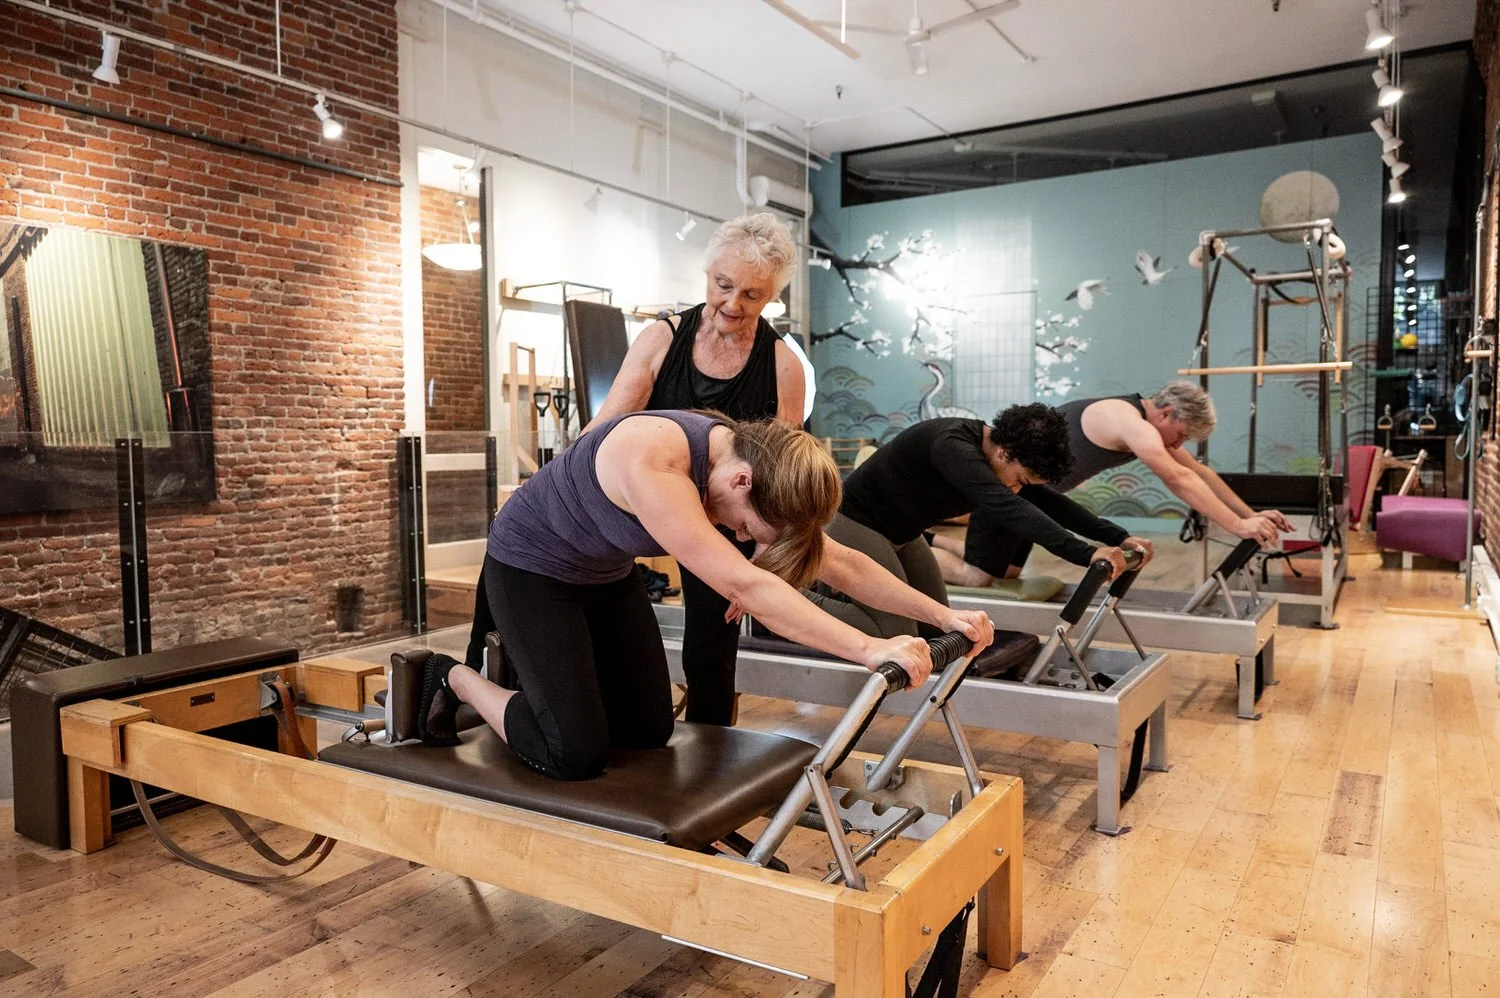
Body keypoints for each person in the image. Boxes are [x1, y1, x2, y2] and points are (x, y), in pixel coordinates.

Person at [420, 411, 994, 781]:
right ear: (743, 481)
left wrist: (942, 614)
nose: (743, 539)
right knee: (572, 753)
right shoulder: (656, 461)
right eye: (748, 529)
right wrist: (870, 649)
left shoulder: (746, 463)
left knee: (648, 731)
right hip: (531, 570)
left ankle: (536, 680)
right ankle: (452, 677)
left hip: (603, 573)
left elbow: (839, 559)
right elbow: (747, 583)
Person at [579, 212, 807, 726]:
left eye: (752, 294)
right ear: (707, 273)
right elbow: (608, 424)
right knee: (593, 601)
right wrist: (553, 486)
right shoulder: (661, 339)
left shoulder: (781, 363)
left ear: (773, 294)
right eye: (723, 285)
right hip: (649, 501)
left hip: (725, 516)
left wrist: (765, 561)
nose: (733, 303)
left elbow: (782, 476)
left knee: (712, 639)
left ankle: (710, 748)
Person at [807, 403, 1152, 639]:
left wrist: (1118, 537)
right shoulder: (954, 446)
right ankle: (789, 596)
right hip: (855, 521)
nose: (1017, 488)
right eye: (1018, 478)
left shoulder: (999, 457)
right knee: (895, 631)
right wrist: (1085, 553)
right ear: (1004, 452)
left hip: (903, 533)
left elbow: (1054, 505)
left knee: (936, 627)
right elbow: (1008, 508)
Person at [930, 382, 1293, 587]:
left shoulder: (1145, 426)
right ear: (1166, 414)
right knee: (977, 578)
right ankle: (909, 551)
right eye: (1180, 436)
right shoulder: (1128, 420)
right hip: (1009, 490)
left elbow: (1201, 473)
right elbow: (1177, 477)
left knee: (1007, 574)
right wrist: (1236, 526)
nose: (1178, 446)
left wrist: (1250, 515)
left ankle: (933, 541)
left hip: (1037, 500)